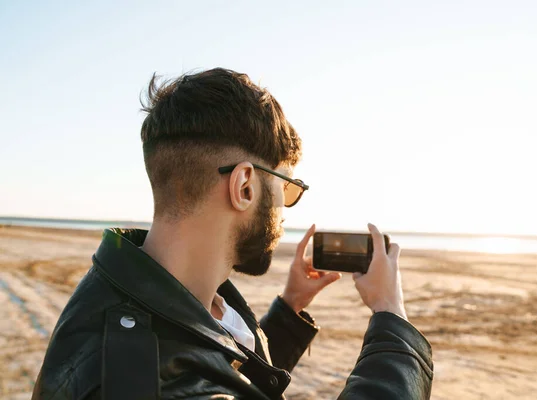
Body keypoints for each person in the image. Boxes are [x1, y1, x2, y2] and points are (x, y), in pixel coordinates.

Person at [32, 68, 433, 399]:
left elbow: (218, 369)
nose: (283, 210)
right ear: (244, 186)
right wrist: (391, 315)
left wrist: (290, 309)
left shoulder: (139, 293)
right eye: (285, 189)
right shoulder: (147, 379)